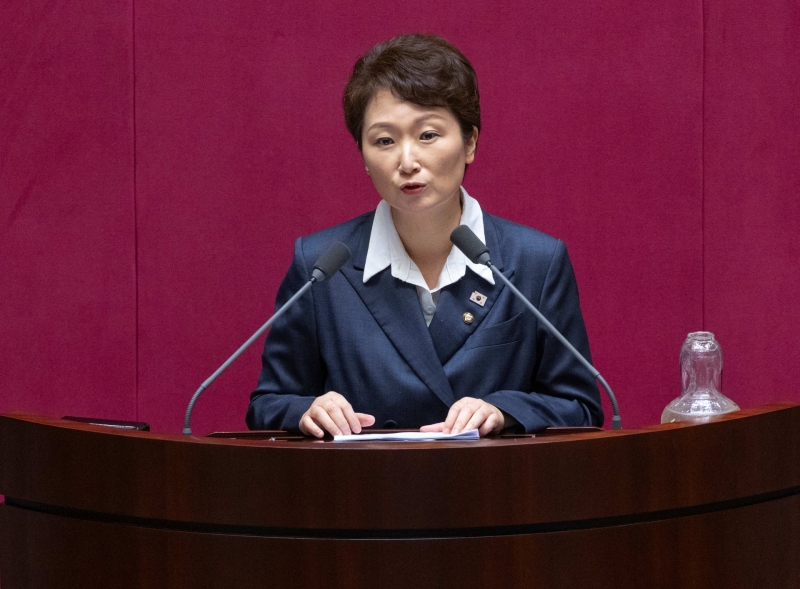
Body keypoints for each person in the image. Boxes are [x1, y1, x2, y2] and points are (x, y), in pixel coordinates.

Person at [246, 34, 603, 437]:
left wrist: (504, 410)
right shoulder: (322, 264)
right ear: (363, 156)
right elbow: (268, 404)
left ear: (470, 142)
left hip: (496, 493)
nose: (407, 161)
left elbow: (581, 407)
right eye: (384, 140)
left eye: (428, 135)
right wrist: (307, 409)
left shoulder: (535, 261)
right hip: (361, 493)